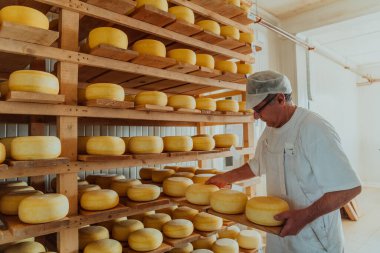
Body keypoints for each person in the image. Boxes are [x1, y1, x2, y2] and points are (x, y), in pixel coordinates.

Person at [206, 70, 361, 253]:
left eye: (258, 109)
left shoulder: (314, 129)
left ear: (280, 99)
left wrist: (305, 216)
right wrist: (225, 178)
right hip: (279, 235)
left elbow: (349, 187)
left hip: (313, 239)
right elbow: (256, 165)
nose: (255, 116)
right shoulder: (269, 133)